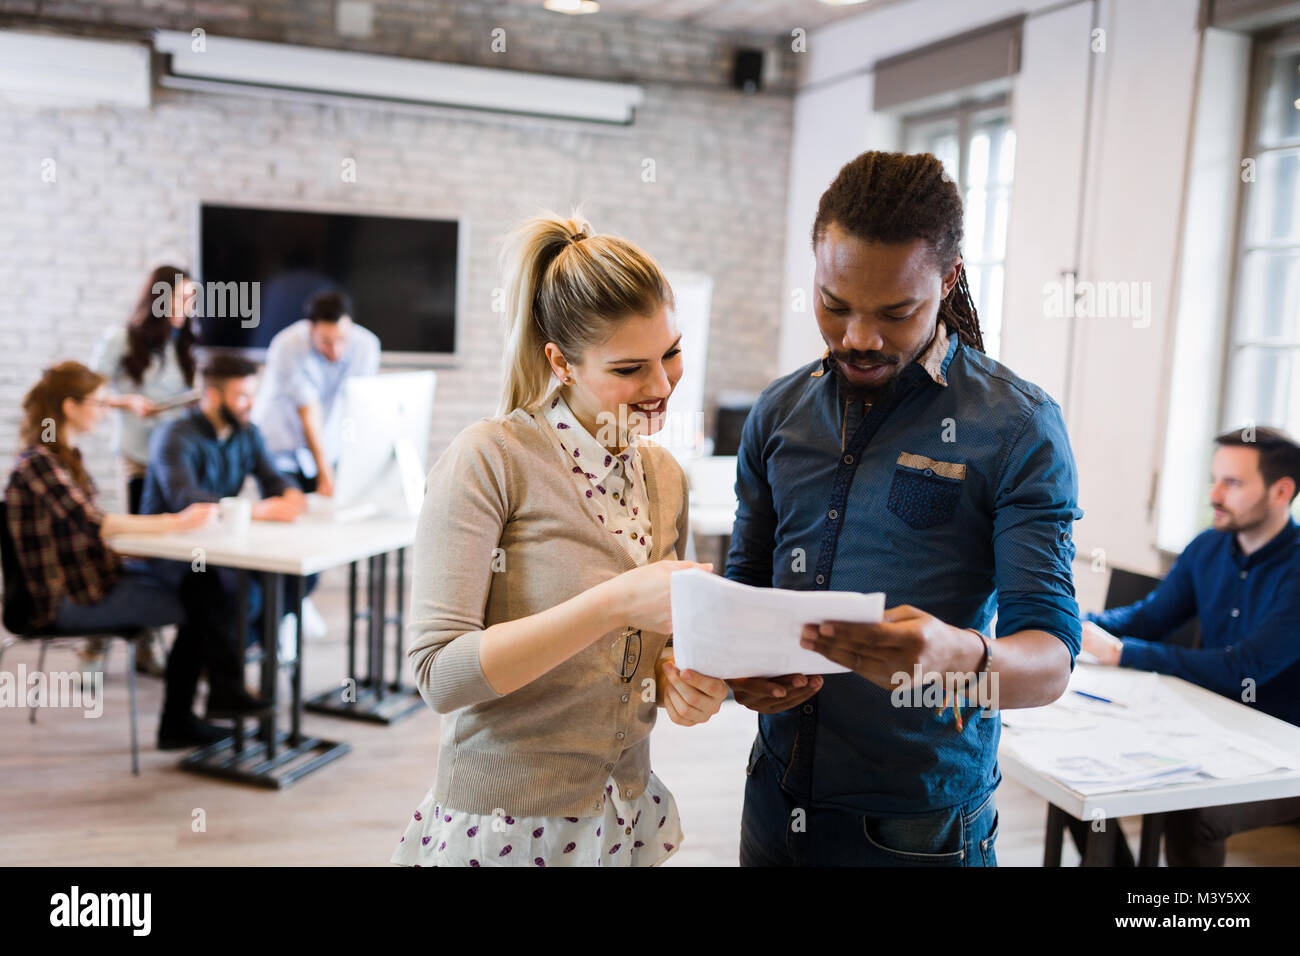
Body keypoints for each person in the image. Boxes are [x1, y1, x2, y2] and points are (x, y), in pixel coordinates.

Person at [726, 151, 1084, 867]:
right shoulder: (778, 413)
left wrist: (961, 660)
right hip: (775, 799)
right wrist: (740, 669)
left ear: (947, 280)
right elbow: (742, 588)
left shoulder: (1016, 427)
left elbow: (1049, 661)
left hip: (915, 830)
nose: (859, 337)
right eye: (835, 304)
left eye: (895, 312)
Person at [392, 212, 728, 867]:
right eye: (630, 367)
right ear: (560, 363)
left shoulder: (665, 477)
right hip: (506, 828)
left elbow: (641, 654)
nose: (661, 387)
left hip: (621, 815)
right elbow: (438, 676)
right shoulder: (489, 459)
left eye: (672, 352)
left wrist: (682, 680)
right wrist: (614, 603)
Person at [2, 361, 253, 750]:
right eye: (99, 403)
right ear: (69, 407)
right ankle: (192, 713)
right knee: (202, 598)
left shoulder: (66, 460)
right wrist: (175, 522)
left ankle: (215, 696)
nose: (105, 411)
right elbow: (96, 525)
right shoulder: (39, 465)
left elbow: (93, 534)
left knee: (202, 582)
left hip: (92, 580)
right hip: (63, 601)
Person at [1078, 426, 1300, 866]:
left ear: (1281, 492)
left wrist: (1123, 653)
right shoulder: (1208, 547)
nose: (1214, 495)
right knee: (1084, 778)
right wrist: (1071, 622)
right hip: (1209, 730)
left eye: (1232, 483)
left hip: (1284, 756)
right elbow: (1148, 619)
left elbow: (1243, 669)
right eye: (1214, 479)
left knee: (1193, 812)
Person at [140, 354, 312, 663]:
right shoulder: (174, 436)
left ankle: (235, 656)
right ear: (212, 395)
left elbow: (273, 478)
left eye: (253, 395)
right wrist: (256, 511)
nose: (250, 404)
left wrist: (290, 493)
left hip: (224, 546)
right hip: (174, 552)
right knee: (248, 595)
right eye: (242, 396)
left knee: (301, 576)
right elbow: (185, 498)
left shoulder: (247, 432)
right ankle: (225, 665)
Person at [84, 265, 202, 676]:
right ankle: (97, 642)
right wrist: (127, 402)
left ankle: (145, 647)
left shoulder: (182, 343)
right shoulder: (123, 340)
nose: (187, 306)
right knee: (137, 549)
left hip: (173, 461)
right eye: (180, 298)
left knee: (166, 553)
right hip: (138, 458)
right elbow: (89, 391)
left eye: (191, 298)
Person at [251, 289, 380, 498]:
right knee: (288, 510)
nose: (336, 351)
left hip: (325, 446)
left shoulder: (366, 345)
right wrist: (324, 471)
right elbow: (308, 409)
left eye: (342, 340)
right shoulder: (287, 344)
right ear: (310, 329)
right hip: (280, 447)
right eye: (327, 342)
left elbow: (356, 407)